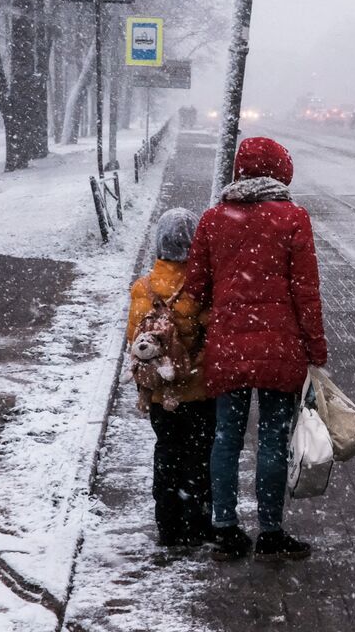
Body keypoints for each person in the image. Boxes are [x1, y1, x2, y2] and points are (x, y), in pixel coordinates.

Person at [184, 137, 327, 562]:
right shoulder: (293, 219)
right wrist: (315, 348)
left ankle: (225, 528)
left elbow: (195, 287)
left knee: (225, 436)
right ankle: (270, 530)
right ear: (281, 171)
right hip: (280, 346)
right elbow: (307, 292)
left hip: (227, 344)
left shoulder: (213, 220)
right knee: (272, 438)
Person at [126, 208, 214, 548]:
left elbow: (134, 337)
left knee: (166, 454)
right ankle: (196, 525)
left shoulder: (143, 288)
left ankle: (168, 524)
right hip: (198, 394)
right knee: (199, 458)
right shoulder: (199, 289)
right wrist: (195, 368)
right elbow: (211, 337)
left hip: (162, 396)